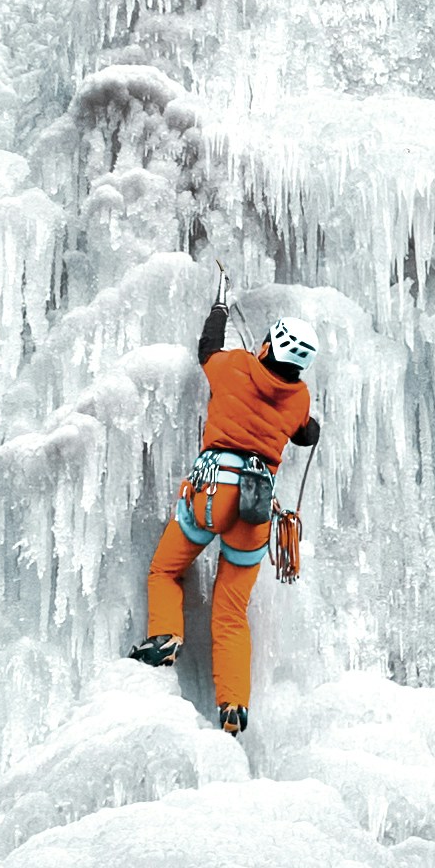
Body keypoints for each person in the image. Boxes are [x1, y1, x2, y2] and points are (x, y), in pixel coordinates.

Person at [135, 302, 318, 731]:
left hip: (213, 492)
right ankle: (233, 706)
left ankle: (165, 636)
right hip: (255, 510)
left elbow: (206, 348)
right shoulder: (300, 398)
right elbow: (305, 433)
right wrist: (312, 429)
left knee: (165, 569)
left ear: (270, 344)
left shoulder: (234, 366)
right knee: (232, 612)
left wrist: (219, 308)